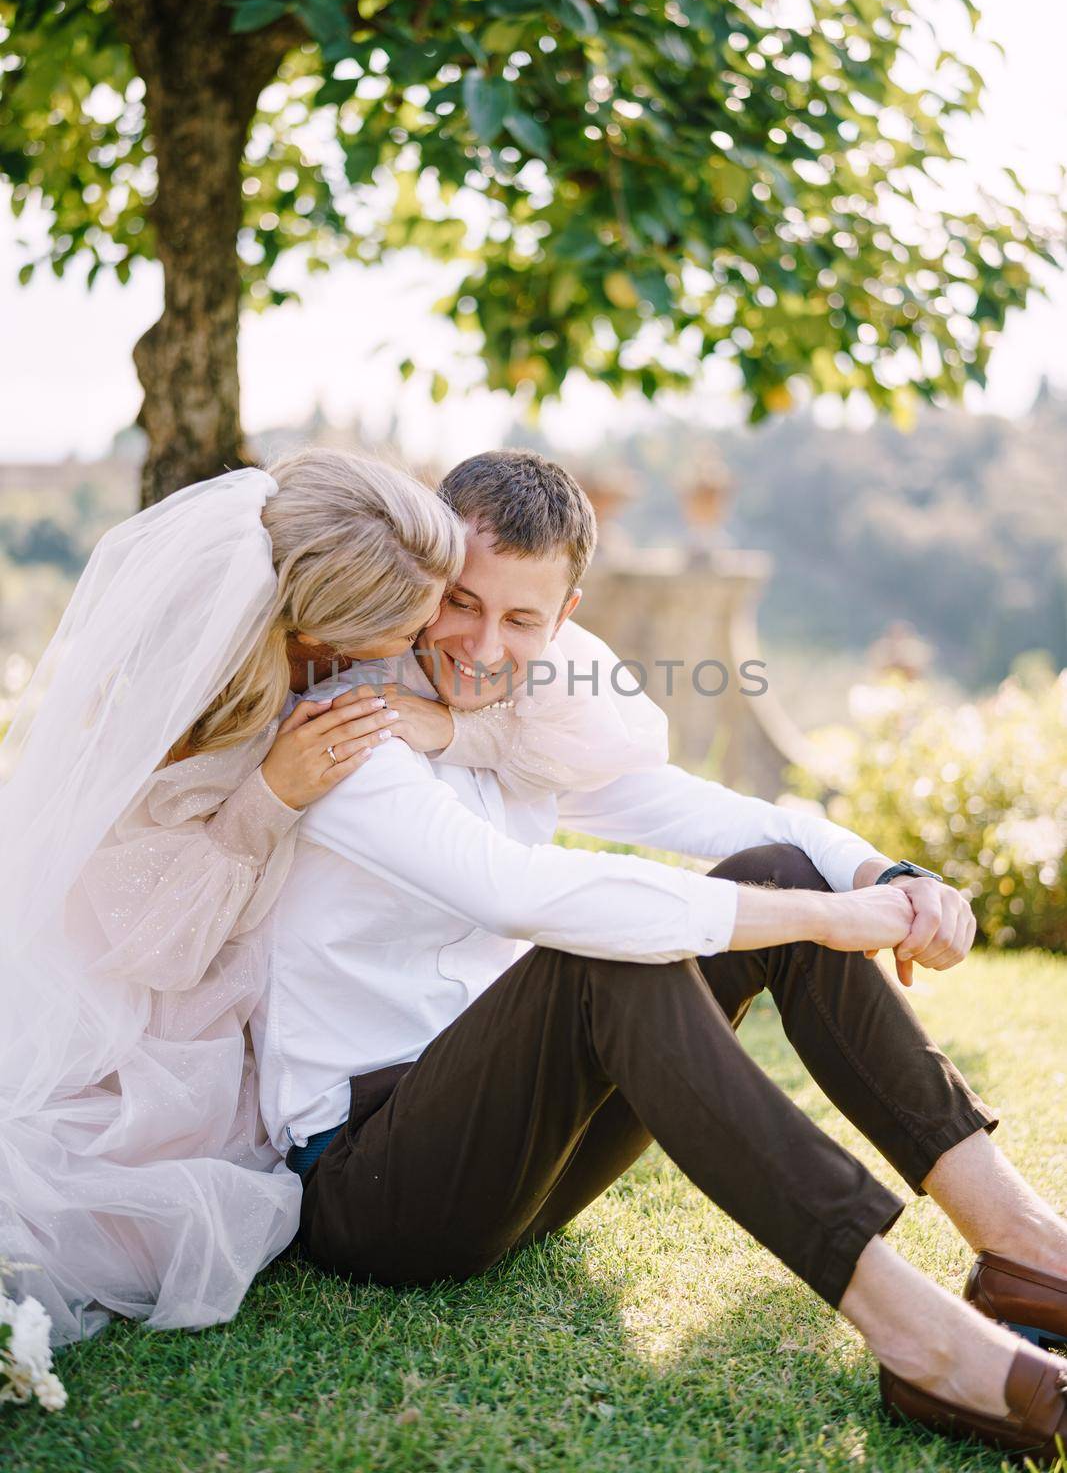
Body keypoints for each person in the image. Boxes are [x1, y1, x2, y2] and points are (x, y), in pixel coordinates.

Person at [253, 449, 1067, 1463]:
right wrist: (812, 923)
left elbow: (715, 812)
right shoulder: (350, 728)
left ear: (564, 615)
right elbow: (516, 893)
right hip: (372, 1180)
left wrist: (874, 876)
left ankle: (1023, 1245)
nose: (478, 645)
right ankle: (914, 1334)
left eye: (520, 620)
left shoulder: (514, 721)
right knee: (609, 946)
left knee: (777, 864)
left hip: (516, 1166)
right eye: (458, 602)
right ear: (422, 578)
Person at [0, 448, 465, 1344]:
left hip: (253, 1017)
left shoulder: (333, 666)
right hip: (142, 1035)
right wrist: (267, 800)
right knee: (117, 1223)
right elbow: (151, 947)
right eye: (401, 634)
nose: (423, 649)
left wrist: (440, 718)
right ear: (313, 637)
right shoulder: (169, 712)